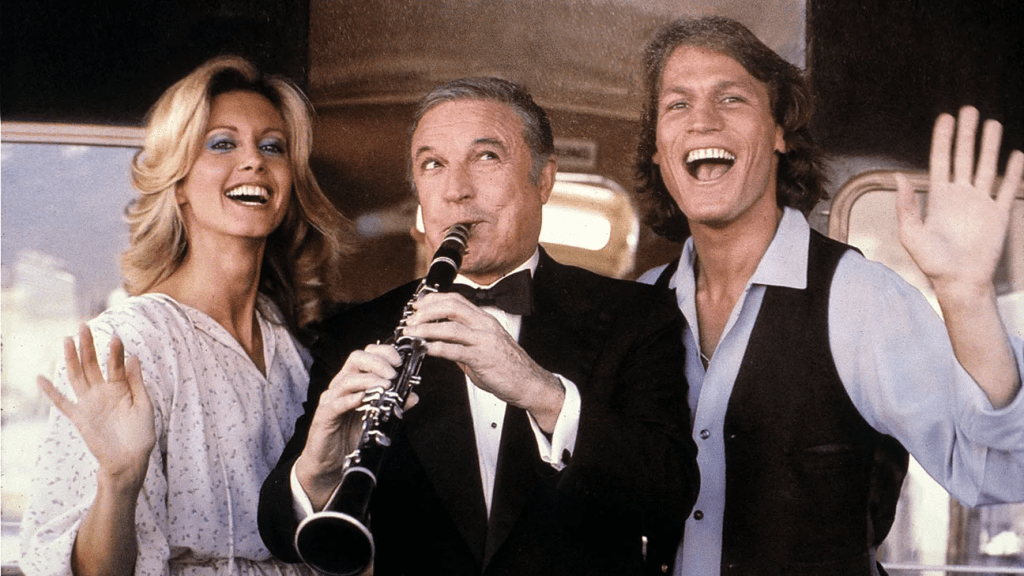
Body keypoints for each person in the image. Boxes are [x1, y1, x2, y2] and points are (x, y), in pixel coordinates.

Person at [258, 77, 700, 575]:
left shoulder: (638, 314)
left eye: (487, 156)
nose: (456, 191)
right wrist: (319, 468)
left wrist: (543, 393)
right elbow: (280, 534)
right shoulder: (355, 332)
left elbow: (669, 497)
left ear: (544, 180)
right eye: (433, 164)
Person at [633, 16, 1024, 576]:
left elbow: (1001, 469)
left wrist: (967, 298)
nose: (703, 121)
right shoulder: (643, 304)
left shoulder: (859, 299)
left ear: (779, 132)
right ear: (657, 149)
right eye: (678, 105)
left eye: (731, 98)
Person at [19, 55, 355, 575]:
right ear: (177, 183)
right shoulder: (128, 346)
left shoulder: (297, 345)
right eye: (222, 144)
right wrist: (120, 480)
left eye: (273, 146)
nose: (254, 161)